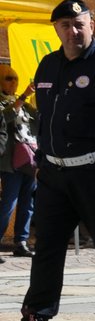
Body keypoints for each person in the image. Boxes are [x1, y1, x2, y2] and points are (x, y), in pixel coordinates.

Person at [0, 0, 95, 321]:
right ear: (56, 30)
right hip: (55, 175)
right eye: (64, 26)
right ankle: (34, 319)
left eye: (79, 24)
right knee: (46, 248)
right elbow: (44, 118)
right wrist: (43, 164)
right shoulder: (47, 65)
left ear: (92, 25)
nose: (72, 31)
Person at [0, 67, 38, 257]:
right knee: (9, 203)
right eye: (8, 78)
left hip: (29, 160)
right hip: (10, 163)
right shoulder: (5, 103)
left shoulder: (25, 105)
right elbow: (5, 116)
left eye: (16, 78)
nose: (13, 82)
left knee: (28, 203)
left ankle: (21, 242)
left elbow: (40, 121)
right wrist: (23, 96)